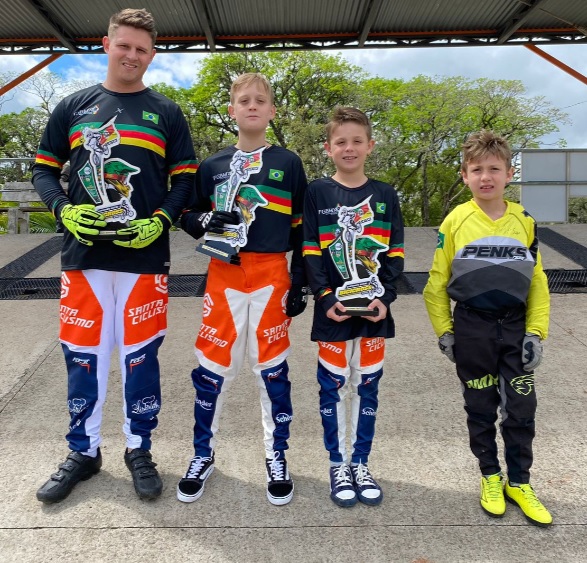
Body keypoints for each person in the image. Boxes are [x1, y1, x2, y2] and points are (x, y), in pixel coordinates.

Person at [32, 8, 198, 503]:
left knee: (140, 357)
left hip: (144, 259)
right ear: (106, 45)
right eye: (124, 45)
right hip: (83, 256)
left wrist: (161, 221)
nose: (132, 55)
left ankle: (138, 448)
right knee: (83, 357)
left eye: (141, 49)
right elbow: (43, 170)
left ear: (152, 55)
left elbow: (185, 180)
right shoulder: (73, 106)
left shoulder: (166, 111)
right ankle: (83, 450)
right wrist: (63, 210)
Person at [178, 72, 308, 506]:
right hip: (224, 274)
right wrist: (202, 221)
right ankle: (203, 454)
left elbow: (302, 227)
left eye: (260, 100)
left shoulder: (288, 162)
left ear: (272, 111)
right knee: (211, 371)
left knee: (272, 370)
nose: (252, 106)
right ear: (232, 110)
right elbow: (187, 213)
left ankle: (276, 455)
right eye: (244, 100)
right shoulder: (212, 165)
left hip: (272, 275)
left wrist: (301, 280)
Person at [423, 130, 552, 527]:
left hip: (515, 327)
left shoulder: (524, 221)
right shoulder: (455, 220)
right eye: (476, 169)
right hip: (472, 327)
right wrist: (445, 331)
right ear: (464, 175)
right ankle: (490, 477)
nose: (485, 177)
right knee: (480, 408)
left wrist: (536, 332)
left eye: (494, 169)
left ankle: (520, 482)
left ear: (509, 174)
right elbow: (436, 282)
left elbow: (537, 280)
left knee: (522, 409)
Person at [303, 107, 404, 507]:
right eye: (341, 142)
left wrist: (386, 298)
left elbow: (396, 252)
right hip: (333, 313)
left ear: (370, 146)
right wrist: (325, 297)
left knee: (367, 388)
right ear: (328, 148)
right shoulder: (317, 192)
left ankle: (360, 463)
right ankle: (337, 464)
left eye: (357, 141)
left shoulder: (385, 194)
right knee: (332, 388)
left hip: (374, 312)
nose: (349, 148)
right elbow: (310, 250)